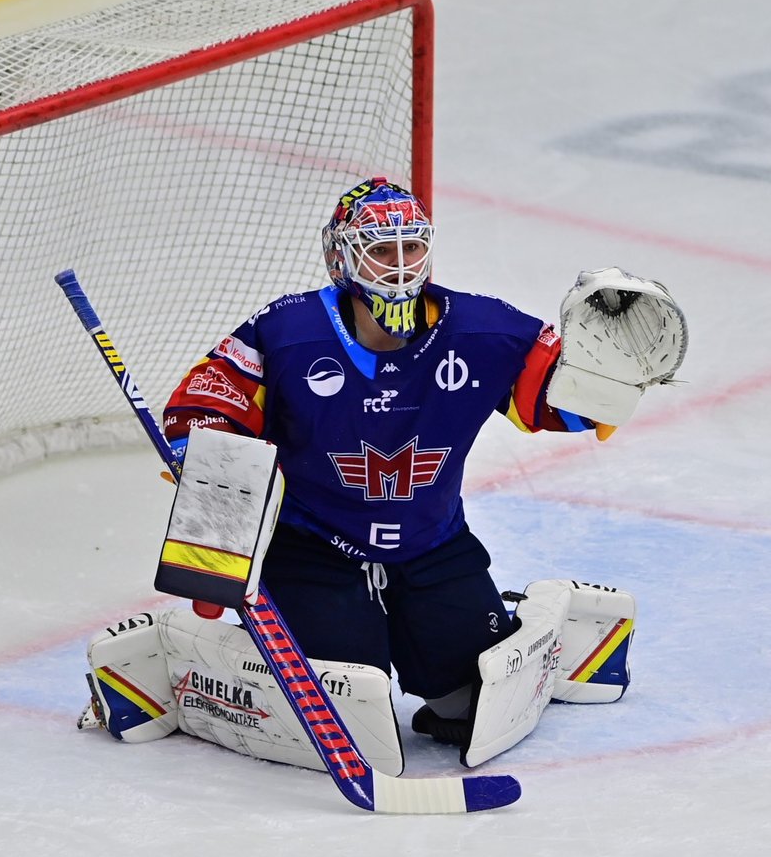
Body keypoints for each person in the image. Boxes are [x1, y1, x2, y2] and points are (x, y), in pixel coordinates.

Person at [157, 176, 683, 754]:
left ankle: (522, 618)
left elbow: (559, 404)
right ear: (342, 258)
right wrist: (201, 446)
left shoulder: (482, 330)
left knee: (472, 698)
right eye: (382, 250)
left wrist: (611, 379)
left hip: (431, 543)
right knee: (345, 702)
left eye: (412, 247)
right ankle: (200, 660)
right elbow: (208, 404)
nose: (401, 265)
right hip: (313, 546)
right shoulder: (286, 332)